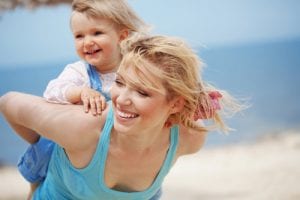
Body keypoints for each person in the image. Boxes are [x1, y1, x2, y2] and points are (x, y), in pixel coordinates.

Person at [0, 34, 242, 200]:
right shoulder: (83, 128)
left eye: (142, 92)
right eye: (120, 82)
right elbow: (8, 102)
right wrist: (45, 145)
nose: (122, 99)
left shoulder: (189, 138)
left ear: (176, 103)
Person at [17, 0, 148, 198]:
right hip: (76, 147)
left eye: (97, 33)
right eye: (79, 36)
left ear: (122, 36)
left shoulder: (137, 67)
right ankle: (36, 185)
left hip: (116, 144)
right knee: (47, 147)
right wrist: (79, 92)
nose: (87, 42)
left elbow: (165, 82)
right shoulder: (80, 72)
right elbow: (52, 91)